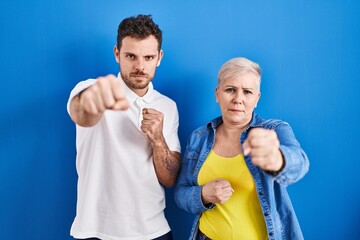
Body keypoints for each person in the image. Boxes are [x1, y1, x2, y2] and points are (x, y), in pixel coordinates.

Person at [67, 15, 181, 240]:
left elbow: (169, 179)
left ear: (159, 58)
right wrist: (95, 100)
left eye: (148, 57)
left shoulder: (168, 106)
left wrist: (158, 139)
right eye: (131, 56)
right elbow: (82, 112)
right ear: (117, 54)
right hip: (97, 230)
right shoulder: (91, 88)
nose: (140, 66)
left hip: (154, 231)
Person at [174, 57, 309, 240]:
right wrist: (203, 194)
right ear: (217, 93)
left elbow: (300, 163)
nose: (238, 99)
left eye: (247, 92)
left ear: (257, 98)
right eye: (230, 90)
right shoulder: (199, 137)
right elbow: (180, 193)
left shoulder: (274, 130)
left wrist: (278, 159)